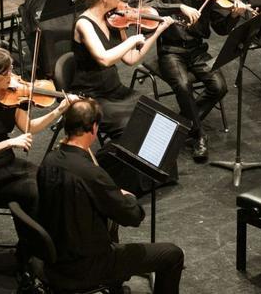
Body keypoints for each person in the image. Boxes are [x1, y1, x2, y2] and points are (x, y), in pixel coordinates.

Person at [36, 98, 184, 292]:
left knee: (109, 227)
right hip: (87, 266)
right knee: (172, 255)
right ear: (94, 128)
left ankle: (115, 287)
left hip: (54, 259)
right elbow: (132, 216)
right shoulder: (92, 174)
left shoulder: (49, 160)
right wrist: (126, 196)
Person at [148, 0, 248, 162]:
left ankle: (185, 122)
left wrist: (233, 16)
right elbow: (151, 5)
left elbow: (221, 29)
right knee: (183, 86)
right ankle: (199, 134)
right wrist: (179, 7)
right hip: (171, 51)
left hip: (197, 50)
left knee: (219, 87)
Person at [0, 45, 79, 213]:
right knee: (34, 193)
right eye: (5, 73)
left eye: (11, 69)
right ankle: (32, 237)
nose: (11, 76)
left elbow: (30, 127)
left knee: (50, 182)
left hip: (8, 162)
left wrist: (59, 110)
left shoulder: (11, 96)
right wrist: (10, 142)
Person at [71, 0, 173, 141]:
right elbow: (104, 59)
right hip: (92, 95)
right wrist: (132, 40)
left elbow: (131, 58)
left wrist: (157, 32)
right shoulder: (84, 23)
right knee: (130, 127)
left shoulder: (114, 19)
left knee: (159, 115)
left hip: (115, 89)